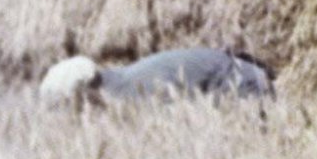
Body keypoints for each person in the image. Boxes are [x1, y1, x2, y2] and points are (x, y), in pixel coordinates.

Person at [38, 47, 274, 104]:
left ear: (86, 93)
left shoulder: (134, 93)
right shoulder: (122, 77)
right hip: (242, 73)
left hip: (248, 84)